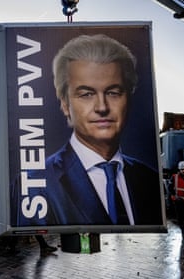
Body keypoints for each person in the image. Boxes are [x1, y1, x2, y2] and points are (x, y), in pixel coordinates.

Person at [27, 34, 163, 226]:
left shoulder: (149, 179)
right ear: (65, 104)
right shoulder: (36, 184)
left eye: (113, 93)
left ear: (129, 99)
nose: (102, 107)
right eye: (87, 94)